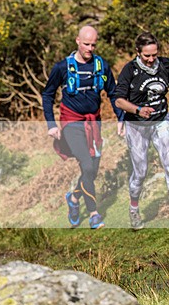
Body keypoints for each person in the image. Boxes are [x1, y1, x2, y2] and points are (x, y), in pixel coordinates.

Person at [42, 25, 123, 229]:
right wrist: (51, 124)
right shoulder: (62, 67)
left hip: (93, 122)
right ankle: (94, 214)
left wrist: (121, 118)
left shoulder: (101, 65)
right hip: (71, 122)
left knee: (92, 170)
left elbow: (112, 93)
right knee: (86, 165)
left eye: (93, 44)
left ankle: (74, 198)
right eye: (86, 44)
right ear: (77, 41)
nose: (90, 48)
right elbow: (48, 95)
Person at [114, 32, 169, 230]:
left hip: (162, 121)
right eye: (147, 55)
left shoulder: (164, 65)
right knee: (141, 172)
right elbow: (119, 100)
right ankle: (134, 209)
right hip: (136, 125)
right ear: (138, 52)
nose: (151, 59)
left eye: (154, 54)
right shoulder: (129, 70)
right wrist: (138, 109)